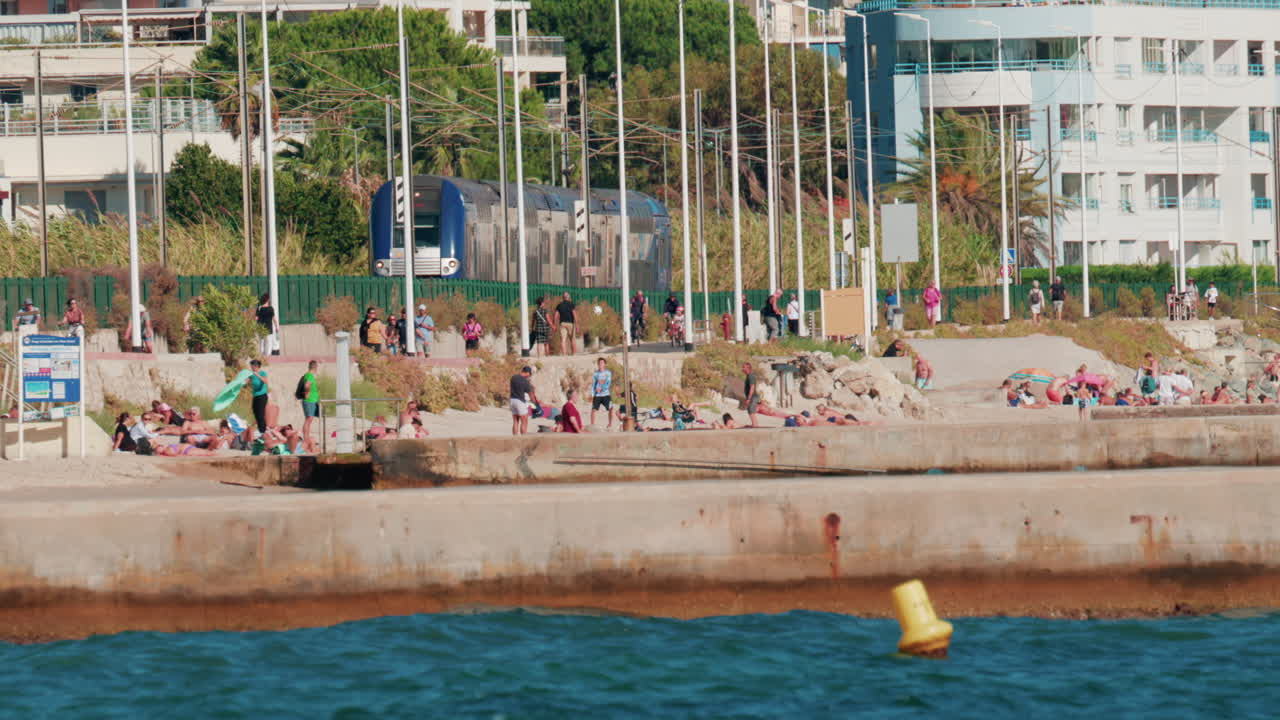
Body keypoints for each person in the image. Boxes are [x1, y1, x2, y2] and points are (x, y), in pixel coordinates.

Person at [509, 365, 538, 436]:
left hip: (512, 400)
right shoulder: (525, 381)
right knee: (524, 421)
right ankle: (523, 439)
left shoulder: (513, 377)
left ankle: (515, 438)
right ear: (527, 373)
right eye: (529, 374)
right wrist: (535, 403)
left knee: (515, 421)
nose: (529, 376)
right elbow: (531, 394)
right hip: (520, 401)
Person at [245, 358, 270, 434]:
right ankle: (261, 429)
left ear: (256, 366)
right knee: (255, 412)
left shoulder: (262, 373)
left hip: (262, 396)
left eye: (252, 366)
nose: (251, 368)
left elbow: (265, 381)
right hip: (255, 396)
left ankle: (263, 431)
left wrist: (257, 375)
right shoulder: (252, 375)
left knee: (260, 414)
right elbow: (246, 382)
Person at [300, 360, 320, 449]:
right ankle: (306, 439)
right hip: (310, 400)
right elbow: (307, 385)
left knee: (309, 419)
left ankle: (306, 438)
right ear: (315, 367)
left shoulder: (307, 375)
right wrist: (307, 393)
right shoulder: (310, 376)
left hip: (311, 400)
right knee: (309, 419)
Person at [589, 357, 614, 428]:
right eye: (599, 363)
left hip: (606, 394)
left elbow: (608, 383)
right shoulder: (595, 374)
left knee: (610, 408)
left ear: (604, 364)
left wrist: (602, 388)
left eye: (602, 363)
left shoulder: (608, 373)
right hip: (597, 395)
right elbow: (594, 384)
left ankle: (610, 424)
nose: (600, 364)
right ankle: (592, 425)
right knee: (593, 409)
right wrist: (592, 394)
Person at [742, 362, 759, 427]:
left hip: (753, 397)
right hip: (752, 397)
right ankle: (755, 425)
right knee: (750, 411)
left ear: (748, 368)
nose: (742, 368)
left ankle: (755, 425)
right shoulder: (749, 376)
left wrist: (749, 398)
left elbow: (752, 387)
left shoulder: (751, 376)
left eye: (743, 367)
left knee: (751, 411)